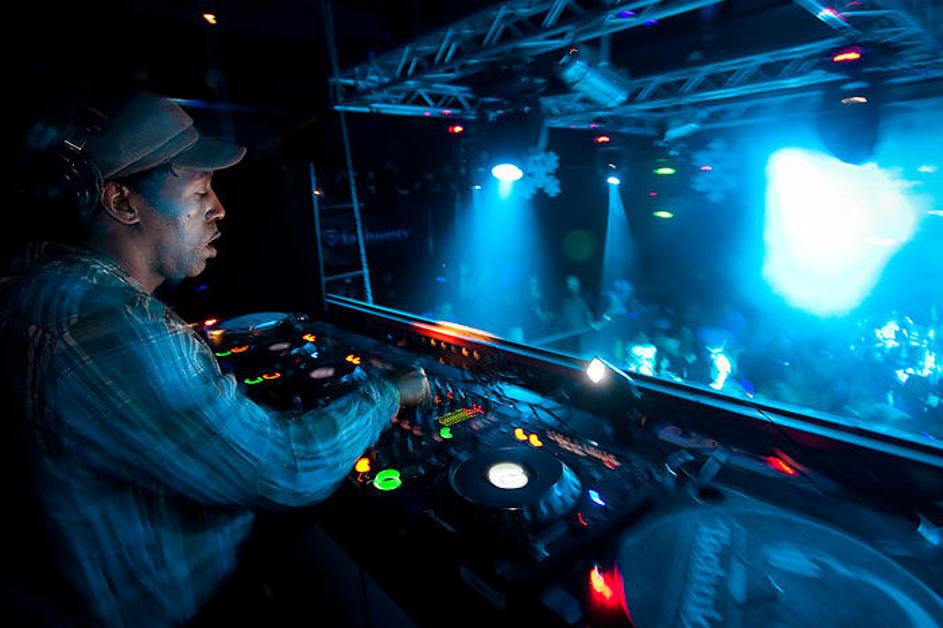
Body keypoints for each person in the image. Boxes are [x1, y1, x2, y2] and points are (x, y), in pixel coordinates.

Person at [0, 92, 426, 627]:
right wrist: (389, 393)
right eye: (201, 189)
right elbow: (288, 468)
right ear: (122, 203)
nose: (219, 209)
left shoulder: (41, 282)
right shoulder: (110, 325)